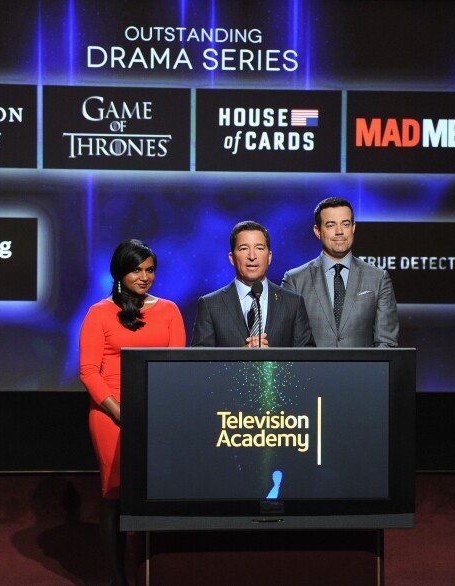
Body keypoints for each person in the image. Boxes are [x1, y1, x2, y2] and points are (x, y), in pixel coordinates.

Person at [79, 239, 187, 586]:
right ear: (120, 272)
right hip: (111, 415)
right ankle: (117, 578)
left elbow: (176, 367)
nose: (144, 277)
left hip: (157, 413)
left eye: (150, 270)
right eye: (137, 270)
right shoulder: (99, 313)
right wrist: (123, 414)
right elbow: (88, 372)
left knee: (153, 493)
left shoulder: (169, 310)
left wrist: (155, 412)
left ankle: (150, 572)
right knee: (115, 495)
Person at [282, 197, 399, 348]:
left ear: (353, 227)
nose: (339, 232)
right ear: (317, 231)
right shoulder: (295, 280)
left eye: (345, 224)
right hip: (312, 371)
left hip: (363, 371)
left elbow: (387, 343)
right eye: (331, 225)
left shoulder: (378, 278)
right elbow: (289, 343)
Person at [191, 220, 314, 347]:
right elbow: (200, 363)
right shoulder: (210, 305)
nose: (252, 256)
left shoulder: (293, 303)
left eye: (259, 248)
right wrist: (240, 358)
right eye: (244, 248)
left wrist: (272, 362)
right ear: (232, 258)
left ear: (269, 257)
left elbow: (309, 361)